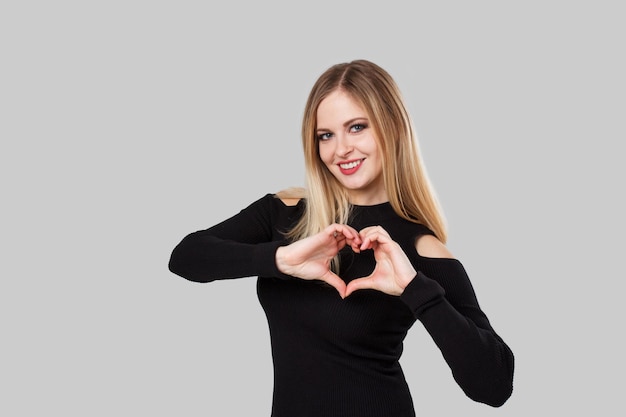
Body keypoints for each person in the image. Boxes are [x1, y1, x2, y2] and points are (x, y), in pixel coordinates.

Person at [168, 59, 514, 417]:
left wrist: (415, 290)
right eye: (326, 135)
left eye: (357, 127)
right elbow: (186, 257)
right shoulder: (284, 213)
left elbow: (494, 385)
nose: (341, 149)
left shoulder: (417, 248)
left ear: (393, 128)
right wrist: (281, 260)